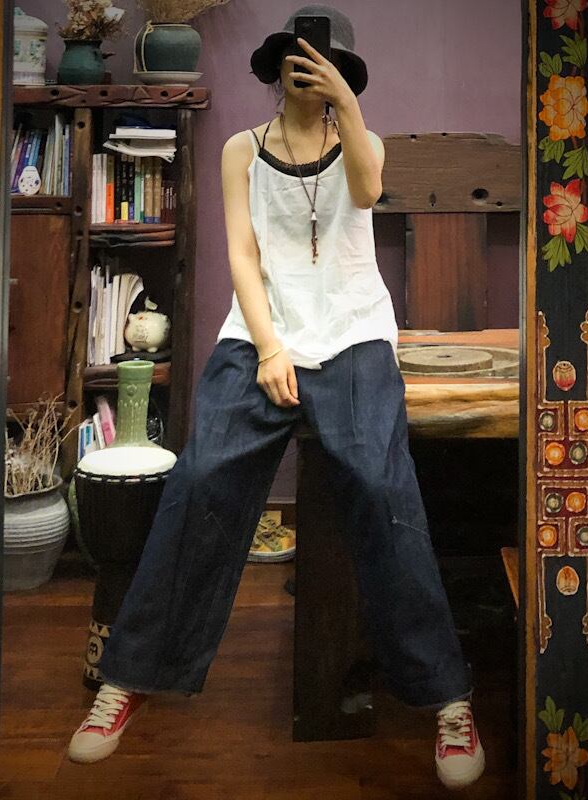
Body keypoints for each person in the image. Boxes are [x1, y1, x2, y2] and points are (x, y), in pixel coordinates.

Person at [68, 4, 485, 790]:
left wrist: (346, 104)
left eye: (325, 65)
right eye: (298, 61)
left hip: (355, 333)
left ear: (343, 75)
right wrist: (267, 347)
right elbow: (242, 253)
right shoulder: (241, 150)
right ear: (277, 68)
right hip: (261, 331)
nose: (309, 73)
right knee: (202, 476)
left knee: (380, 481)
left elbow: (367, 190)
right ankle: (129, 679)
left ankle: (446, 698)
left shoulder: (364, 143)